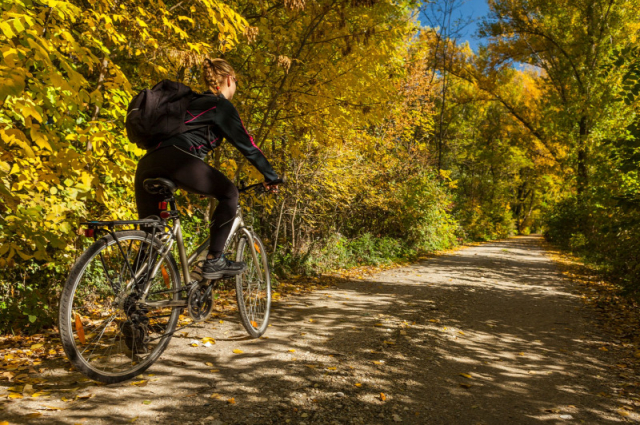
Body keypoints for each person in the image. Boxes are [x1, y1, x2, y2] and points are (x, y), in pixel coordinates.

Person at [134, 58, 282, 279]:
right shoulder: (219, 105)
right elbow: (247, 145)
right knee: (229, 193)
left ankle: (134, 298)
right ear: (230, 79)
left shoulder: (188, 103)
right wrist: (271, 176)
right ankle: (215, 260)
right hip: (177, 160)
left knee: (153, 236)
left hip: (147, 163)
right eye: (236, 81)